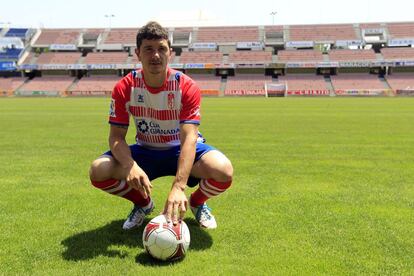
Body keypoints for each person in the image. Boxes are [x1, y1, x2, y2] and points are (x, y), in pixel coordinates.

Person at [89, 21, 233, 230]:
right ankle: (143, 204)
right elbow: (116, 137)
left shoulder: (185, 86)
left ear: (170, 53)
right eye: (148, 49)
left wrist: (179, 186)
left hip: (179, 150)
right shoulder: (125, 87)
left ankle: (197, 202)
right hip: (146, 150)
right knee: (98, 170)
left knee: (224, 170)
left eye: (161, 49)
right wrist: (130, 166)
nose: (155, 55)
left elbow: (189, 139)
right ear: (138, 53)